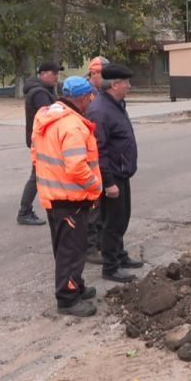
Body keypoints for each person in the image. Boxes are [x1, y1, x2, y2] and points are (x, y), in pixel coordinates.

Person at [31, 76, 102, 317]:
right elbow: (77, 167)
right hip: (70, 199)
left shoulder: (47, 117)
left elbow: (35, 154)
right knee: (71, 251)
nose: (92, 101)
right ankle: (68, 299)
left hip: (55, 196)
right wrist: (95, 187)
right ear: (82, 98)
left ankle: (76, 285)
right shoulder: (72, 126)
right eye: (90, 97)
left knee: (66, 247)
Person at [86, 63, 144, 283]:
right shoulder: (100, 111)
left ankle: (119, 255)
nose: (129, 85)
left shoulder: (116, 104)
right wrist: (108, 182)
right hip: (111, 177)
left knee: (121, 218)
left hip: (122, 173)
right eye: (126, 82)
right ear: (115, 85)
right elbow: (98, 151)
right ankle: (110, 267)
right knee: (112, 223)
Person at [17, 61, 62, 225]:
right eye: (54, 74)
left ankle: (27, 211)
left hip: (41, 140)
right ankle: (24, 212)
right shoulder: (39, 93)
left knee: (39, 175)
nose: (57, 77)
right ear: (43, 74)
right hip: (42, 141)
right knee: (36, 176)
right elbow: (50, 116)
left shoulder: (43, 91)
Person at [84, 56, 110, 256]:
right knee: (93, 204)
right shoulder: (87, 94)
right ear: (94, 73)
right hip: (90, 156)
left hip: (96, 154)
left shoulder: (100, 93)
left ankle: (100, 241)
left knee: (100, 205)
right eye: (104, 73)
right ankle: (90, 246)